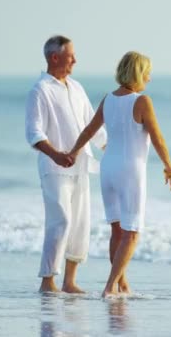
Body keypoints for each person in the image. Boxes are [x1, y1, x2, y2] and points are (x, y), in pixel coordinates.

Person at [67, 51, 171, 297]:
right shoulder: (142, 101)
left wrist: (73, 152)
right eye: (147, 72)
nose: (149, 78)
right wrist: (169, 167)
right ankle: (109, 287)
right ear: (138, 72)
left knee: (117, 230)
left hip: (108, 169)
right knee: (132, 232)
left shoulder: (109, 99)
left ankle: (122, 284)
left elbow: (89, 130)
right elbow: (157, 138)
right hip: (130, 170)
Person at [25, 35, 107, 293]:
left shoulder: (77, 87)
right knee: (60, 221)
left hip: (81, 167)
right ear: (55, 57)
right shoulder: (40, 90)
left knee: (81, 224)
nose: (75, 60)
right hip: (54, 170)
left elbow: (93, 125)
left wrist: (111, 148)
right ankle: (47, 281)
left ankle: (69, 282)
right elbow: (34, 133)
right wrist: (56, 154)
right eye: (71, 55)